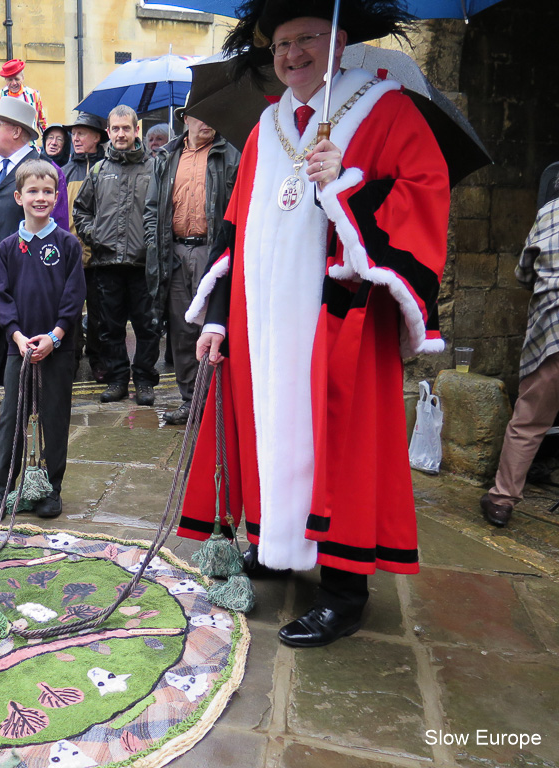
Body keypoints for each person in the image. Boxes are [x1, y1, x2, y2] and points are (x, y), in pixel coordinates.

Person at [179, 0, 450, 648]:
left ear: (340, 40)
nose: (292, 54)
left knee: (342, 448)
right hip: (262, 327)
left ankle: (342, 590)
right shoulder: (268, 125)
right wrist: (217, 319)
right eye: (280, 45)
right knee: (266, 433)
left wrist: (347, 186)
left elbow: (425, 194)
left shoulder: (386, 109)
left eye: (306, 39)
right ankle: (277, 546)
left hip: (336, 326)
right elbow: (235, 233)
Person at [0, 159, 85, 521]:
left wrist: (55, 337)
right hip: (20, 348)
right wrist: (19, 337)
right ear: (18, 196)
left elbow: (74, 297)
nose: (40, 198)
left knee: (55, 418)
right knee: (12, 417)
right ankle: (0, 488)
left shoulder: (67, 244)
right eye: (33, 191)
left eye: (47, 191)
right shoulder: (8, 248)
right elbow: (2, 296)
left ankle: (50, 488)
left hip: (57, 348)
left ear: (56, 196)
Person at [0, 98, 66, 403]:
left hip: (26, 271)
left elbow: (57, 223)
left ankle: (25, 395)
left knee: (21, 335)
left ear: (17, 131)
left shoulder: (44, 169)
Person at [145, 110, 239, 425]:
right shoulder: (166, 156)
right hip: (173, 251)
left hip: (213, 252)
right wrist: (154, 244)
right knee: (182, 330)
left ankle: (217, 402)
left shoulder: (231, 154)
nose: (208, 120)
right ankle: (190, 401)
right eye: (200, 115)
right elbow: (151, 208)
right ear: (186, 119)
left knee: (213, 327)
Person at [480, 196, 559, 528]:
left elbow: (523, 273)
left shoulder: (550, 211)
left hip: (552, 328)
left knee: (529, 421)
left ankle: (501, 500)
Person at [72, 105, 159, 406]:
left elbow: (164, 212)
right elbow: (81, 210)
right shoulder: (97, 172)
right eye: (116, 129)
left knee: (148, 327)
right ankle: (117, 380)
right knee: (109, 328)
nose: (121, 134)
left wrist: (152, 245)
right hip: (106, 263)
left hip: (143, 264)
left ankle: (145, 381)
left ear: (137, 130)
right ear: (108, 132)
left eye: (126, 128)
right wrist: (95, 236)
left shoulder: (154, 168)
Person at [62, 112, 109, 380]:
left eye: (82, 133)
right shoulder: (64, 171)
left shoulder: (106, 169)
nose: (75, 138)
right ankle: (72, 355)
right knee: (70, 309)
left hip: (99, 251)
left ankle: (98, 360)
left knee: (99, 312)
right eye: (74, 133)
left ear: (96, 137)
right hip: (71, 254)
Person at [0, 59, 48, 136]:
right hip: (4, 145)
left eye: (17, 79)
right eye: (10, 80)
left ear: (23, 78)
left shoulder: (34, 95)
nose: (13, 83)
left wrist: (47, 141)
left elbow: (42, 123)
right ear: (5, 80)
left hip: (28, 144)